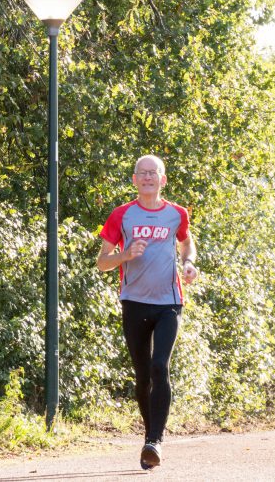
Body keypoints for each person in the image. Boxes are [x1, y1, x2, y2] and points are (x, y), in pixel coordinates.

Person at [98, 154, 200, 471]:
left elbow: (187, 245)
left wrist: (188, 263)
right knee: (143, 376)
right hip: (134, 302)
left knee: (159, 366)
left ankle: (155, 440)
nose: (147, 178)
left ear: (163, 180)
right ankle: (149, 436)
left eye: (153, 173)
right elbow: (102, 262)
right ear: (134, 179)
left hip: (169, 302)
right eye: (141, 173)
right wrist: (125, 254)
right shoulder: (121, 215)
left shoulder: (177, 215)